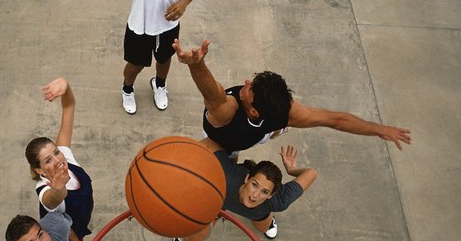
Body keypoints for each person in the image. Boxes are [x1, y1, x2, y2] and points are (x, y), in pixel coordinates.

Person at [173, 39, 412, 158]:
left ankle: (273, 132)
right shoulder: (228, 110)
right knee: (213, 162)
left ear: (255, 111)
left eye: (249, 89)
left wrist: (379, 130)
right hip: (220, 137)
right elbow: (212, 93)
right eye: (251, 83)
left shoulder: (283, 112)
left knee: (270, 131)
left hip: (260, 130)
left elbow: (337, 120)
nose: (245, 83)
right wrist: (197, 65)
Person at [164, 139, 318, 241]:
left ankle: (268, 220)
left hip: (258, 213)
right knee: (195, 238)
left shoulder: (279, 201)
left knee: (264, 226)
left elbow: (311, 173)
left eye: (264, 192)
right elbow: (209, 144)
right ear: (247, 178)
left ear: (271, 195)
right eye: (254, 185)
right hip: (219, 203)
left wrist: (292, 170)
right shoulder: (225, 175)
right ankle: (180, 238)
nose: (255, 195)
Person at [25, 78, 93, 241]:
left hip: (77, 227)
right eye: (48, 160)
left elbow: (69, 106)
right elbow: (53, 199)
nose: (57, 159)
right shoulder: (45, 190)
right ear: (39, 170)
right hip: (62, 238)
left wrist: (66, 87)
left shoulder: (65, 156)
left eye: (55, 152)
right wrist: (58, 187)